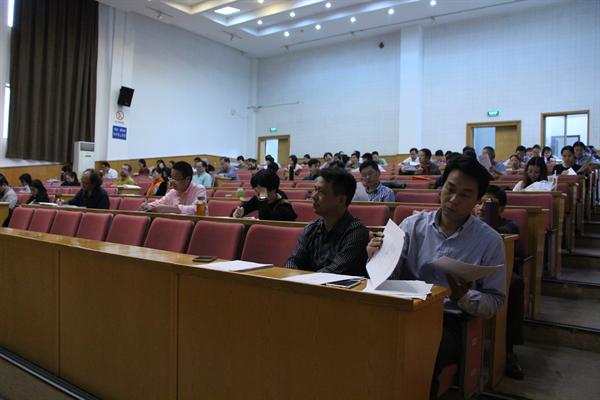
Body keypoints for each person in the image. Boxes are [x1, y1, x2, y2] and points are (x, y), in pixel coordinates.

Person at [367, 155, 505, 398]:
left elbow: (494, 302)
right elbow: (386, 277)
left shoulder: (489, 241)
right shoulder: (411, 225)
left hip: (449, 319)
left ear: (477, 199)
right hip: (406, 308)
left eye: (465, 194)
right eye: (450, 189)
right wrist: (376, 257)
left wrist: (464, 296)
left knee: (422, 350)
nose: (453, 199)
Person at [473, 185, 525, 380]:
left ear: (501, 209)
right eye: (479, 203)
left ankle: (508, 351)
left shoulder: (509, 226)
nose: (481, 208)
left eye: (488, 204)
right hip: (470, 270)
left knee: (514, 284)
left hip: (497, 273)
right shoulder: (465, 223)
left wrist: (487, 223)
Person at [285, 168, 370, 276]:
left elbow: (334, 271)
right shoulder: (311, 228)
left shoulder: (356, 232)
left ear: (341, 200)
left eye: (321, 192)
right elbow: (293, 261)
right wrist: (291, 275)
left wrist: (302, 278)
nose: (313, 196)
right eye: (315, 189)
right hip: (307, 284)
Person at [141, 161, 207, 215]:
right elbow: (160, 202)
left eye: (176, 179)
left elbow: (198, 209)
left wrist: (171, 209)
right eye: (171, 178)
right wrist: (148, 205)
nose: (172, 182)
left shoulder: (200, 189)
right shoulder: (173, 192)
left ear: (187, 179)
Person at [232, 169, 297, 221]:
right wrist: (237, 213)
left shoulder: (284, 207)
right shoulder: (258, 198)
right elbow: (242, 209)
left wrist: (263, 197)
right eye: (256, 191)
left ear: (273, 190)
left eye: (261, 192)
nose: (257, 195)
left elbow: (265, 221)